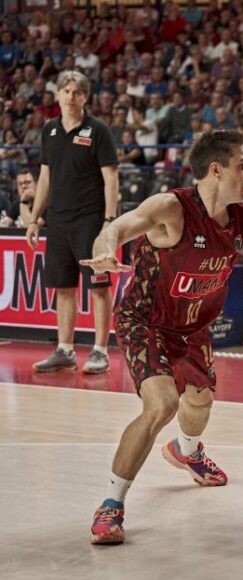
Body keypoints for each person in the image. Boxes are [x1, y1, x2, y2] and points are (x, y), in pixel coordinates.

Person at [82, 129, 243, 545]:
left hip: (192, 328)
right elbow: (119, 227)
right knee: (162, 404)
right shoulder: (171, 207)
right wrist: (107, 251)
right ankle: (111, 503)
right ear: (216, 170)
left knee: (199, 401)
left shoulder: (241, 216)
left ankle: (187, 451)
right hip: (146, 320)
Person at [25, 70, 119, 375]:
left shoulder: (98, 130)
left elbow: (111, 178)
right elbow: (45, 178)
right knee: (63, 288)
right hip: (58, 221)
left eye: (77, 92)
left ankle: (100, 351)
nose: (71, 97)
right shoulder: (49, 130)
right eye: (65, 91)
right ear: (58, 95)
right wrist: (36, 219)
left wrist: (109, 221)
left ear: (85, 97)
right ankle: (65, 350)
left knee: (98, 288)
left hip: (90, 220)